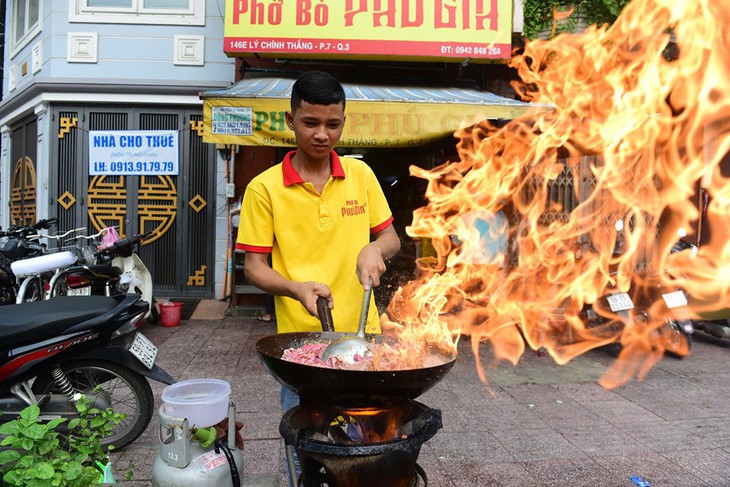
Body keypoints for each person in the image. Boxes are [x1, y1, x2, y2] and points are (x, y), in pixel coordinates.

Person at [235, 70, 401, 483]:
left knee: (370, 449)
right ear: (290, 120)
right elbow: (254, 266)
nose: (322, 134)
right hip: (304, 350)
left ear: (344, 121)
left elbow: (391, 238)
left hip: (366, 343)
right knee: (308, 451)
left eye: (333, 124)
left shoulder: (360, 177)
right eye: (310, 123)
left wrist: (373, 248)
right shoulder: (264, 188)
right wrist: (293, 288)